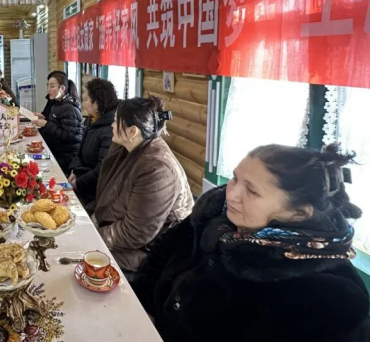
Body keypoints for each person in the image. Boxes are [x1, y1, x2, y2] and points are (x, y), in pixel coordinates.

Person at [133, 144, 370, 342]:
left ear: (298, 214)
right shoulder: (214, 216)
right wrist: (143, 309)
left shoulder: (332, 299)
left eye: (252, 192)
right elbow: (162, 253)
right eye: (235, 178)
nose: (231, 194)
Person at [92, 96, 194, 279]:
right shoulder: (126, 146)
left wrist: (94, 235)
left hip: (149, 252)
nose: (111, 126)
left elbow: (135, 233)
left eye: (115, 121)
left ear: (132, 131)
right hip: (116, 232)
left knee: (81, 259)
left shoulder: (157, 168)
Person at [68, 78, 119, 208]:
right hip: (81, 180)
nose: (84, 104)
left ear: (96, 104)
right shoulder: (92, 120)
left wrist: (78, 183)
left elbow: (102, 169)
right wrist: (73, 172)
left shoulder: (110, 130)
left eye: (86, 99)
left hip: (93, 193)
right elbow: (80, 152)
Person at [33, 72, 83, 176]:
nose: (48, 90)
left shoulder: (68, 108)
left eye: (52, 86)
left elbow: (67, 135)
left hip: (66, 156)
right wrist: (45, 118)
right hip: (56, 150)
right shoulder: (58, 104)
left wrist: (46, 124)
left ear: (62, 88)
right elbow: (58, 125)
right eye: (48, 86)